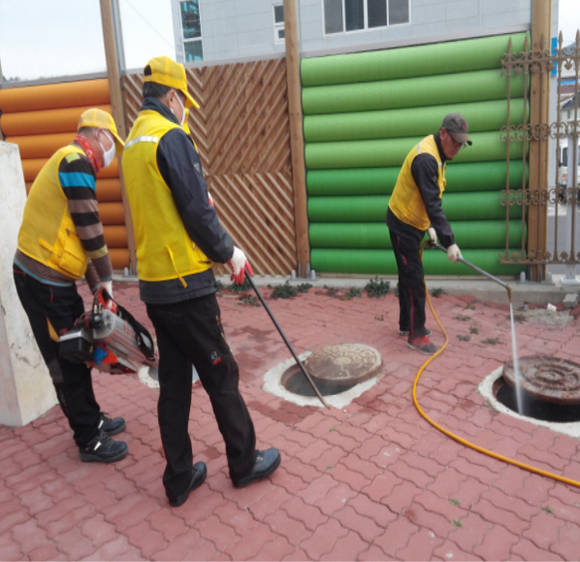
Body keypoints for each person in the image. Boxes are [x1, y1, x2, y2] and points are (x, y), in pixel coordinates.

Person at [121, 56, 280, 507]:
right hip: (187, 286)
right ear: (172, 97)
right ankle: (244, 463)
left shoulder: (133, 143)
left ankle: (178, 478)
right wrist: (230, 252)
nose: (183, 110)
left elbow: (171, 207)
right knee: (220, 372)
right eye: (183, 102)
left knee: (173, 385)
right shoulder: (170, 137)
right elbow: (196, 211)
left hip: (155, 285)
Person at [13, 108, 128, 462]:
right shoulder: (76, 161)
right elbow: (90, 228)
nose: (112, 151)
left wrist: (96, 287)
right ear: (99, 134)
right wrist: (106, 278)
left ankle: (92, 419)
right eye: (112, 141)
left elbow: (77, 236)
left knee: (78, 351)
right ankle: (89, 438)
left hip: (50, 279)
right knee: (67, 359)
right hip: (43, 281)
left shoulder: (72, 161)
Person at [386, 113, 471, 354]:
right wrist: (450, 242)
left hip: (412, 222)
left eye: (462, 144)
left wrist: (429, 227)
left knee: (407, 276)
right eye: (455, 142)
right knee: (414, 279)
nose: (458, 148)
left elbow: (426, 196)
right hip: (403, 225)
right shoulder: (426, 159)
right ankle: (416, 335)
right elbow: (433, 203)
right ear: (443, 133)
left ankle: (406, 324)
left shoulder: (439, 154)